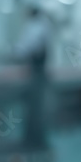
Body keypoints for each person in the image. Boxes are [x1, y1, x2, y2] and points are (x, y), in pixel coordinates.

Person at [15, 8, 53, 151]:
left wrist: (15, 53)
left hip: (37, 73)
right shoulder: (43, 24)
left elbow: (26, 47)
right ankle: (38, 141)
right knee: (38, 109)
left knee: (35, 109)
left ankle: (35, 143)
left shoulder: (36, 26)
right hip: (40, 73)